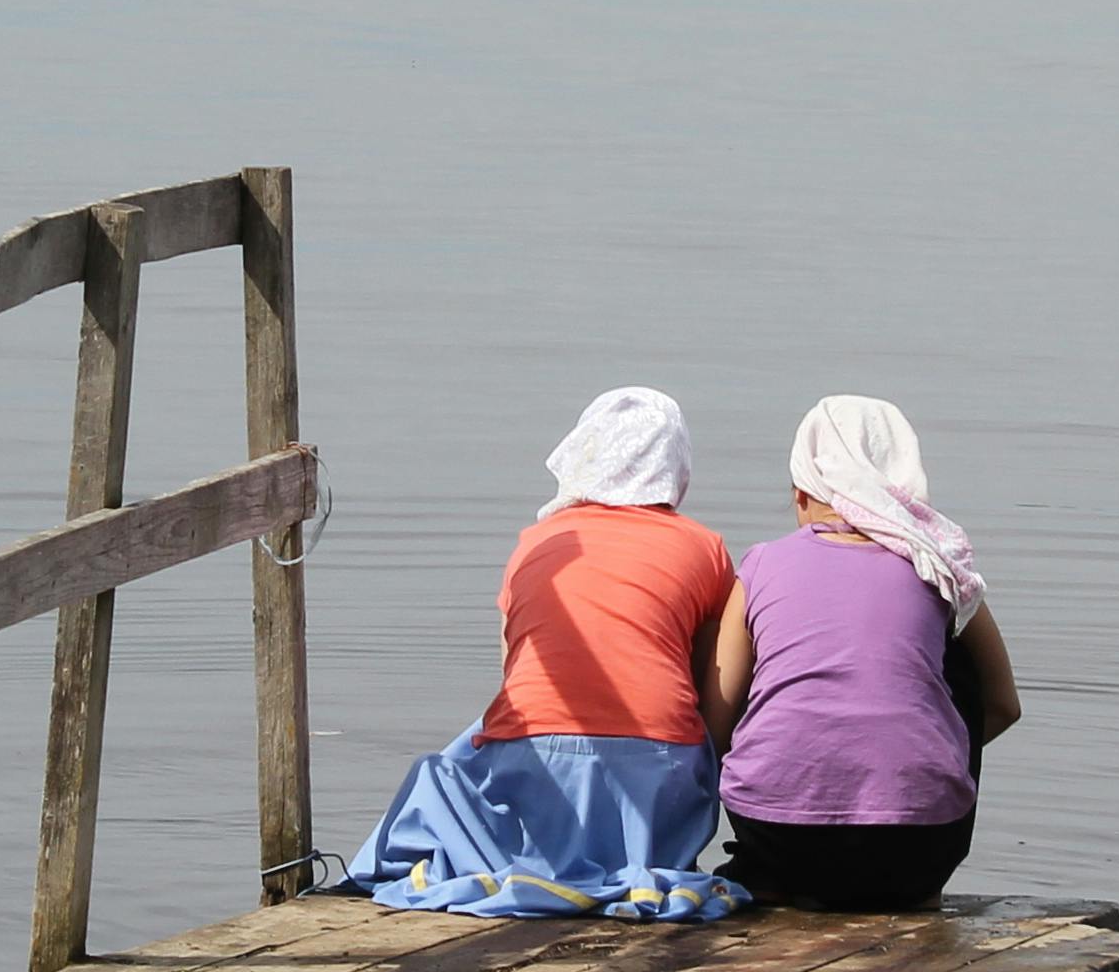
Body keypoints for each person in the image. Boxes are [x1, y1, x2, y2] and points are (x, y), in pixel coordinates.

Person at [346, 387, 748, 919]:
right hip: (657, 773)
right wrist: (706, 766)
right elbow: (710, 686)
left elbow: (516, 673)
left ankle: (524, 854)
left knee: (454, 763)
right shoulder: (703, 547)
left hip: (536, 757)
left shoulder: (536, 544)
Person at [709, 395, 1020, 913]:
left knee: (772, 669)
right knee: (956, 663)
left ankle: (770, 880)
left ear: (802, 491)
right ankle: (917, 891)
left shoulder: (761, 566)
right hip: (915, 846)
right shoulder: (939, 569)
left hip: (778, 839)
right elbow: (1004, 705)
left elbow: (717, 723)